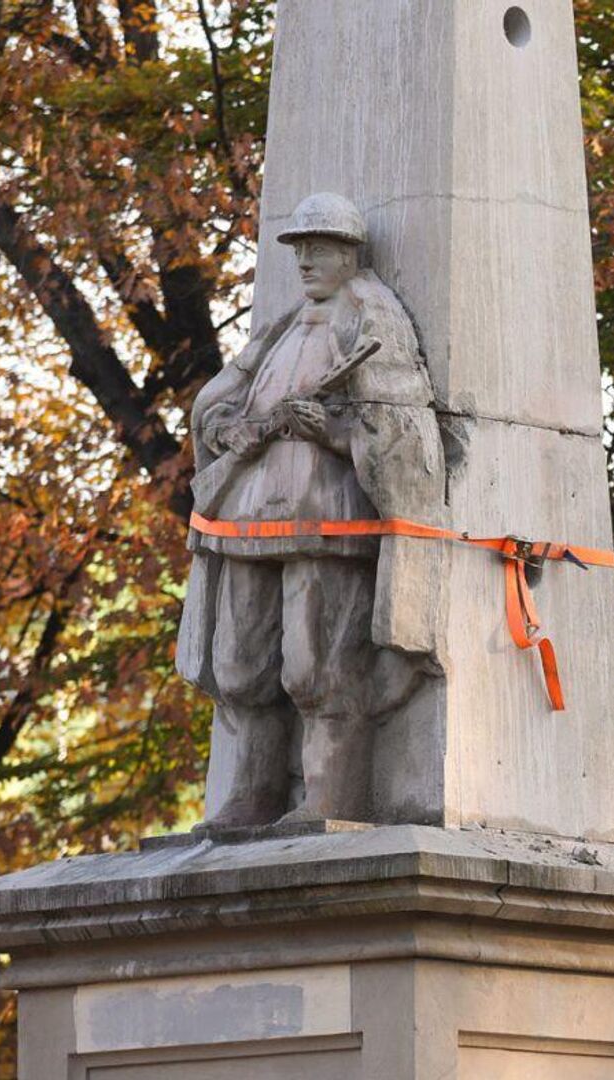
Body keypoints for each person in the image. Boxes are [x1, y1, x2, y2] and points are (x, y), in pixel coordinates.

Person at [177, 191, 445, 826]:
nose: (304, 262)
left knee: (315, 666)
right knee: (238, 663)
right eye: (299, 249)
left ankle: (328, 797)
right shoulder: (281, 325)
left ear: (350, 254)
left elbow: (397, 430)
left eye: (318, 249)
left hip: (329, 519)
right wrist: (228, 430)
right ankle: (251, 794)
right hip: (246, 519)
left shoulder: (372, 319)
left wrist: (328, 429)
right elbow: (221, 400)